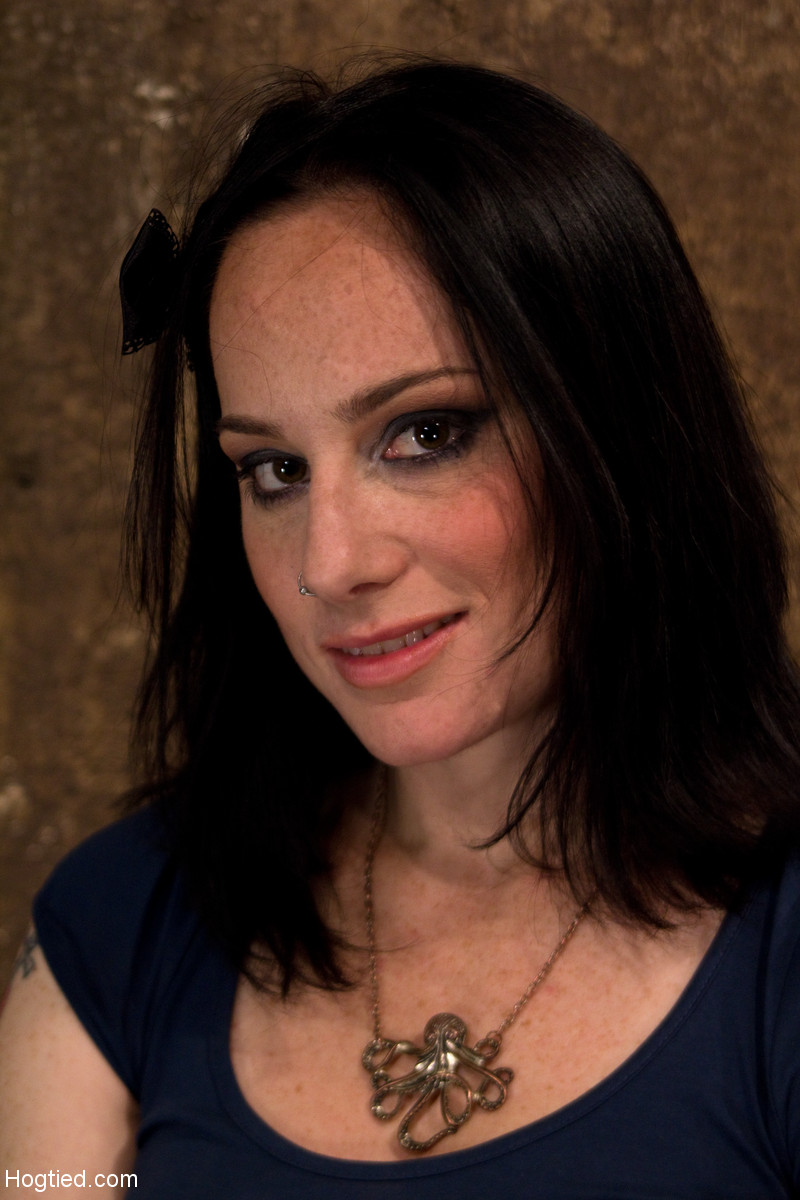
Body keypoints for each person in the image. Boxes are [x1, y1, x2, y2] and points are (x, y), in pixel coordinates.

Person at [2, 55, 800, 1198]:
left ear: (619, 433)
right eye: (273, 470)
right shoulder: (123, 922)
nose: (329, 564)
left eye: (424, 434)